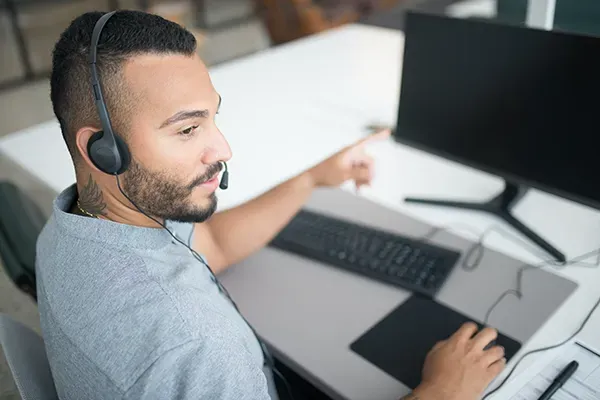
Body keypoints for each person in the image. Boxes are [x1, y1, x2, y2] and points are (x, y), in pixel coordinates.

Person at [37, 9, 506, 400]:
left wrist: (311, 180)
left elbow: (213, 244)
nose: (222, 149)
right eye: (186, 129)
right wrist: (442, 392)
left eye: (211, 118)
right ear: (101, 149)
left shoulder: (75, 225)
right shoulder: (198, 347)